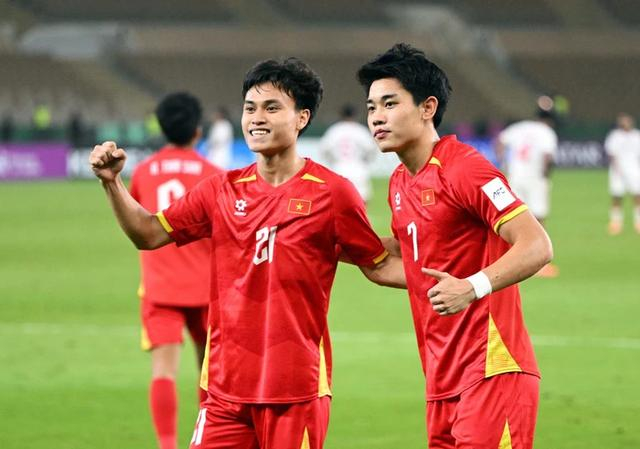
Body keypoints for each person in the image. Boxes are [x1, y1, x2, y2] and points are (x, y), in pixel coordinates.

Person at [90, 57, 405, 449]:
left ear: (302, 117)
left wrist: (465, 284)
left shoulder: (333, 193)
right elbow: (149, 233)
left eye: (272, 108)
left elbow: (379, 264)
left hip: (296, 390)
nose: (257, 118)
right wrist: (112, 183)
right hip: (224, 392)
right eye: (250, 108)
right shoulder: (219, 189)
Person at [357, 43, 553, 449]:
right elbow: (411, 260)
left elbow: (537, 244)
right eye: (372, 106)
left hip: (492, 369)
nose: (376, 116)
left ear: (427, 108)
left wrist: (472, 286)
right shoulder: (400, 182)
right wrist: (327, 239)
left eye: (390, 103)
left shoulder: (465, 168)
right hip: (441, 378)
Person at [129, 92, 223, 449]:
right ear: (198, 131)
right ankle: (209, 440)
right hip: (207, 288)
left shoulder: (143, 172)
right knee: (210, 375)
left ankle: (167, 445)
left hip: (161, 286)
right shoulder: (214, 175)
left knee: (163, 372)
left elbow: (140, 225)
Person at [496, 102, 559, 277]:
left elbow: (500, 140)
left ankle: (507, 260)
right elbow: (547, 157)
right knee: (539, 218)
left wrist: (503, 163)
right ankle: (540, 264)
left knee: (512, 218)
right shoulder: (547, 132)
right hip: (535, 178)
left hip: (515, 177)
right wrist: (545, 176)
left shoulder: (521, 127)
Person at [318, 104, 378, 202]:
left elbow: (325, 150)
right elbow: (371, 149)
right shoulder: (360, 130)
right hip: (358, 169)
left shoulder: (335, 130)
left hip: (338, 169)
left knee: (338, 202)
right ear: (355, 115)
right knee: (362, 202)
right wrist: (365, 162)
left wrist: (333, 162)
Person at [604, 113, 640, 235]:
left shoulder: (637, 136)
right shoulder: (615, 136)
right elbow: (611, 153)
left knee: (637, 195)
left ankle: (638, 222)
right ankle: (616, 223)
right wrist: (617, 168)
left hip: (634, 170)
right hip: (617, 172)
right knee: (617, 196)